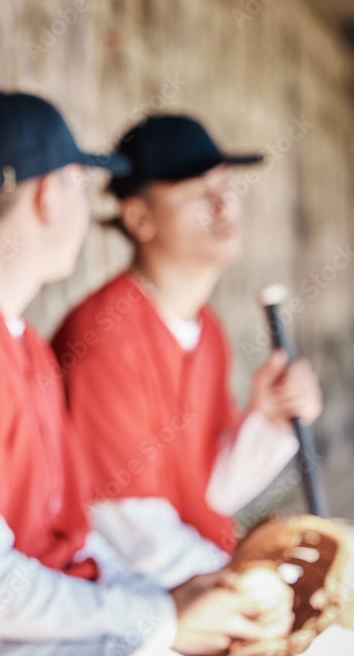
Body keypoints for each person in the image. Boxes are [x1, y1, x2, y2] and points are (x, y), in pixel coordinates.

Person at [0, 92, 290, 656]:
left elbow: (73, 541)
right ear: (50, 196)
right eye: (79, 183)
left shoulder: (15, 339)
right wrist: (157, 618)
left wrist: (179, 595)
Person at [51, 115, 323, 589]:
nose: (223, 204)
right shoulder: (104, 335)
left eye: (224, 184)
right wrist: (243, 588)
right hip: (126, 599)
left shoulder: (208, 331)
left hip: (189, 575)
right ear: (139, 218)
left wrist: (269, 421)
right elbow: (126, 527)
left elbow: (210, 494)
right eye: (197, 192)